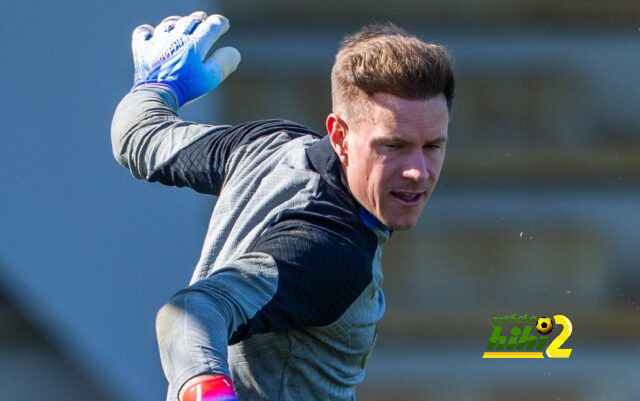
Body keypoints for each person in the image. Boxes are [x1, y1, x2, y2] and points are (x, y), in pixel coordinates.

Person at [112, 10, 454, 401]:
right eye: (393, 146)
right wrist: (206, 392)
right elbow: (191, 311)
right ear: (340, 136)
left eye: (432, 146)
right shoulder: (329, 251)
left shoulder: (270, 145)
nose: (418, 172)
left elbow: (138, 136)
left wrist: (156, 87)